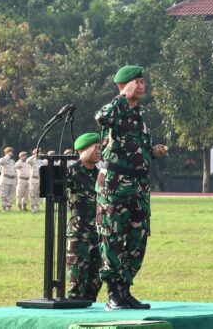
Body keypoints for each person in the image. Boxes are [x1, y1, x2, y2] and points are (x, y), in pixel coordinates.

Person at [95, 65, 167, 311]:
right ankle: (112, 293)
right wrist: (121, 97)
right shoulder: (114, 109)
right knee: (112, 236)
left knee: (138, 238)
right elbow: (100, 117)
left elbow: (135, 147)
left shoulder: (142, 113)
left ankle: (125, 290)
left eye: (142, 81)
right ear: (123, 85)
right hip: (115, 185)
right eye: (136, 82)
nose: (141, 85)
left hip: (138, 185)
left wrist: (152, 152)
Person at [67, 133, 103, 302]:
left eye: (100, 147)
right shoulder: (71, 172)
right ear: (82, 150)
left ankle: (89, 305)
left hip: (99, 230)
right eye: (95, 147)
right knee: (78, 274)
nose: (99, 151)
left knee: (97, 275)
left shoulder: (100, 174)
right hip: (79, 230)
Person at [0, 147, 18, 211]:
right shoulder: (2, 159)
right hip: (5, 179)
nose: (11, 153)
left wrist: (16, 179)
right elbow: (0, 162)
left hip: (12, 179)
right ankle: (4, 208)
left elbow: (15, 171)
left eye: (11, 152)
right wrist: (7, 156)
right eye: (9, 151)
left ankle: (9, 208)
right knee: (4, 194)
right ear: (6, 152)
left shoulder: (12, 161)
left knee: (11, 195)